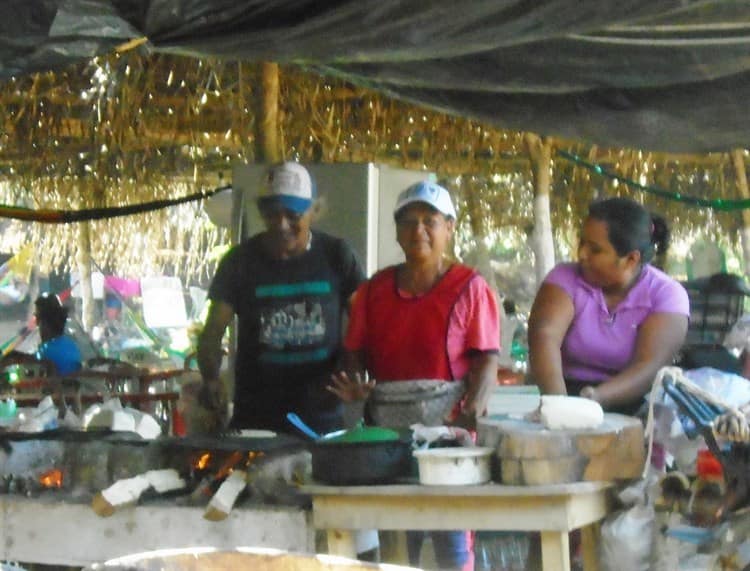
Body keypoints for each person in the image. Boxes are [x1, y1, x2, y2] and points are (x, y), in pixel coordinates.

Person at [328, 180, 500, 571]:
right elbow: (353, 352)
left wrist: (475, 405)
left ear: (449, 228)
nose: (418, 231)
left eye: (430, 221)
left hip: (448, 431)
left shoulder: (470, 287)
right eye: (407, 222)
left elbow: (486, 359)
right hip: (386, 433)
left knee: (451, 536)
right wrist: (355, 384)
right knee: (397, 537)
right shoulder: (374, 291)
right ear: (396, 231)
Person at [196, 162, 365, 435]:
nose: (282, 224)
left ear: (314, 210)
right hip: (256, 416)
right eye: (271, 214)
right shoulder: (240, 261)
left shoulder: (336, 255)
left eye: (293, 214)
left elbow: (364, 321)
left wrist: (354, 370)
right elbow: (213, 331)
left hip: (321, 416)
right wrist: (211, 378)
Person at [527, 197, 690, 414]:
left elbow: (649, 366)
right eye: (581, 242)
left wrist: (598, 398)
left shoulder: (667, 295)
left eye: (594, 249)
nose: (582, 253)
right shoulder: (564, 278)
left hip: (636, 404)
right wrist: (560, 407)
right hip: (563, 392)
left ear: (631, 259)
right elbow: (544, 336)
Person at [1, 292, 82, 376]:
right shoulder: (71, 346)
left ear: (44, 323)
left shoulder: (47, 352)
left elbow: (38, 361)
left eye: (37, 319)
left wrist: (12, 357)